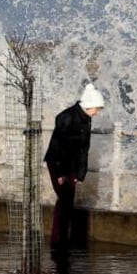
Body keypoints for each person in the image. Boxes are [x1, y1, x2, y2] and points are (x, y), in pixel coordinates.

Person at [44, 82, 104, 253]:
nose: (98, 112)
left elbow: (84, 149)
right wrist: (61, 173)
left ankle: (62, 239)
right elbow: (58, 146)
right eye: (97, 109)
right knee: (64, 201)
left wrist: (79, 174)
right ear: (89, 105)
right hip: (58, 163)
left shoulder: (85, 118)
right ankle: (58, 242)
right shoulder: (67, 117)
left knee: (66, 202)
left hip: (70, 164)